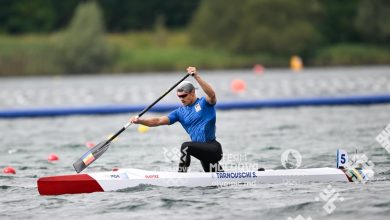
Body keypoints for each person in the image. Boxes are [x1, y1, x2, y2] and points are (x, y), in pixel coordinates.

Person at [130, 66, 223, 173]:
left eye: (184, 95)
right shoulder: (179, 112)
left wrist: (196, 76)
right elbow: (158, 121)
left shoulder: (205, 103)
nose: (181, 99)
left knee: (185, 146)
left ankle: (181, 175)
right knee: (217, 182)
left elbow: (212, 94)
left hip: (213, 148)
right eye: (179, 96)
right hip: (202, 153)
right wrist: (140, 121)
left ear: (192, 93)